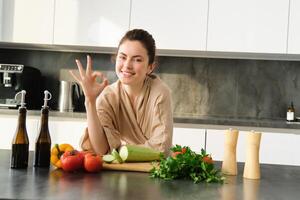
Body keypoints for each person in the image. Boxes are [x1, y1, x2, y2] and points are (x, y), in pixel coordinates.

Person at [70, 29, 173, 156]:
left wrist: (120, 152)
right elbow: (100, 149)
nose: (127, 65)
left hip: (154, 168)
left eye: (137, 60)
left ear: (150, 67)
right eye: (122, 57)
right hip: (123, 167)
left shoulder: (160, 92)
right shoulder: (108, 96)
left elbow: (161, 147)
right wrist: (90, 101)